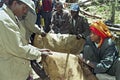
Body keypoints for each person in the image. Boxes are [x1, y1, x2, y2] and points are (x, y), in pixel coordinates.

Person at [0, 0, 50, 80]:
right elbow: (18, 48)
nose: (25, 11)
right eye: (24, 8)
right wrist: (39, 53)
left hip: (18, 69)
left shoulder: (12, 18)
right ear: (15, 3)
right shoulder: (4, 21)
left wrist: (38, 50)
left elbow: (21, 42)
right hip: (11, 73)